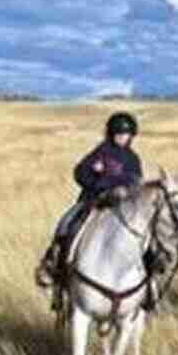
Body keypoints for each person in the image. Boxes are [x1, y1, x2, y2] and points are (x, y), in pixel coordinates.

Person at [34, 110, 144, 295]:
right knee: (67, 222)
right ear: (111, 134)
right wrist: (98, 181)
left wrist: (120, 185)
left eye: (126, 134)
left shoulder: (133, 159)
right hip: (95, 201)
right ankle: (52, 265)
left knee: (146, 233)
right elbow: (79, 173)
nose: (122, 138)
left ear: (132, 136)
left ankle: (148, 278)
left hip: (124, 206)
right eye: (118, 134)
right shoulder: (101, 152)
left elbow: (137, 182)